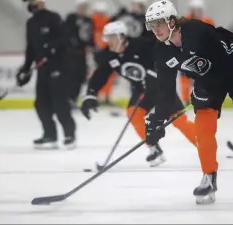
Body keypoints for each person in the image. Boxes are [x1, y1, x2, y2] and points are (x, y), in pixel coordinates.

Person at [144, 0, 233, 204]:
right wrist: (157, 120)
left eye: (159, 23)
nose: (155, 29)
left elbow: (223, 63)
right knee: (203, 128)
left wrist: (203, 90)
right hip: (207, 78)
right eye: (151, 24)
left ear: (172, 21)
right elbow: (165, 90)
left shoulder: (197, 32)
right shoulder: (161, 51)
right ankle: (209, 177)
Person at [80, 21, 196, 166]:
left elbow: (164, 52)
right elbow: (100, 74)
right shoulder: (109, 56)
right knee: (133, 114)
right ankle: (154, 149)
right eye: (107, 38)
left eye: (111, 37)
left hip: (160, 86)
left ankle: (205, 147)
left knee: (179, 121)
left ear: (121, 36)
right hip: (141, 90)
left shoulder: (141, 44)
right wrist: (91, 93)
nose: (108, 41)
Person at [17, 0, 76, 149]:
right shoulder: (31, 23)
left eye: (32, 1)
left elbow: (65, 38)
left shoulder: (53, 18)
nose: (30, 5)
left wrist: (51, 48)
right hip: (41, 68)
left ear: (41, 2)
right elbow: (31, 47)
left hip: (58, 67)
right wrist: (26, 67)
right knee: (41, 103)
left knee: (59, 103)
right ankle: (49, 135)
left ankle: (69, 134)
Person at [180, 0, 215, 106]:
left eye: (199, 10)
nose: (198, 12)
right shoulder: (184, 22)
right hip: (187, 53)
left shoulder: (208, 21)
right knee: (185, 77)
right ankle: (185, 100)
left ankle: (207, 99)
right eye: (195, 9)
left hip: (203, 54)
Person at [64, 0, 94, 105]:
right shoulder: (70, 18)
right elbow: (66, 34)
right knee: (70, 77)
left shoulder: (89, 20)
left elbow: (90, 37)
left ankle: (73, 99)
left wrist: (91, 46)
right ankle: (67, 99)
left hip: (82, 55)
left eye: (85, 6)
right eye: (81, 6)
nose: (83, 9)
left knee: (81, 77)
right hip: (70, 54)